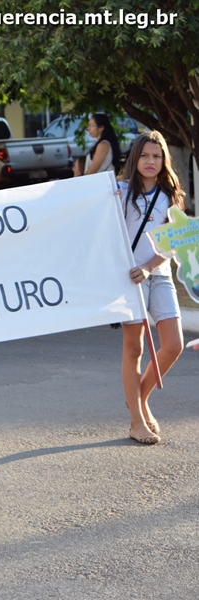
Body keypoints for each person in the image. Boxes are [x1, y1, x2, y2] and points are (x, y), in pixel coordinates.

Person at [117, 131, 185, 445]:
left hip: (159, 275)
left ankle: (139, 400)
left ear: (163, 161)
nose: (150, 161)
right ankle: (136, 422)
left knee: (173, 345)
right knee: (135, 349)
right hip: (129, 278)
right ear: (136, 158)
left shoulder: (170, 196)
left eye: (156, 157)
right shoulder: (119, 192)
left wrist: (149, 265)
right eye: (145, 155)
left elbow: (175, 241)